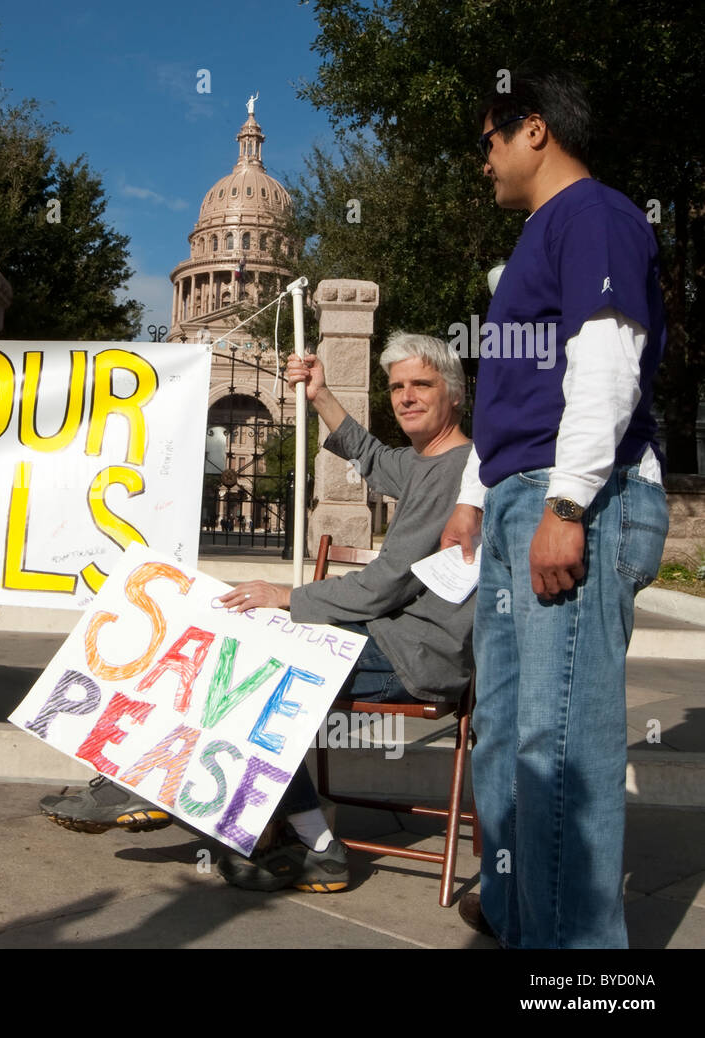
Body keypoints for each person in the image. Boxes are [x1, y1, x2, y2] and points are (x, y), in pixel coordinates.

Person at [40, 333, 475, 894]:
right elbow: (368, 454)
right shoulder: (425, 463)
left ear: (456, 395)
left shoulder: (458, 471)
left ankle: (165, 789)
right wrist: (319, 395)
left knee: (252, 677)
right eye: (396, 386)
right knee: (231, 647)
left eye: (422, 384)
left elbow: (383, 586)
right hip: (384, 638)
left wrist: (287, 596)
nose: (406, 397)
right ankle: (212, 804)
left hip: (415, 656)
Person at [440, 69, 668, 949]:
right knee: (505, 731)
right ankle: (516, 913)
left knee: (560, 744)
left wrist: (567, 505)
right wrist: (474, 498)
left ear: (533, 129)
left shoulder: (596, 215)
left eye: (491, 141)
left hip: (577, 497)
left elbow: (606, 362)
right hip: (517, 496)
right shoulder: (537, 241)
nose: (484, 161)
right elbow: (511, 397)